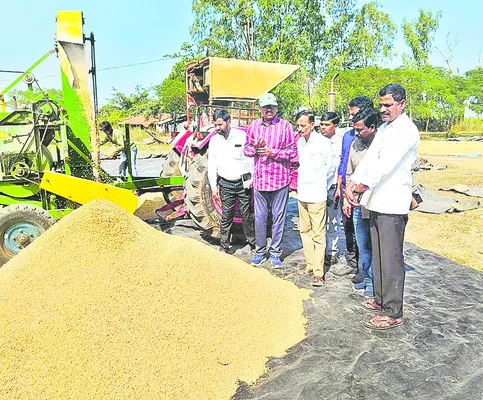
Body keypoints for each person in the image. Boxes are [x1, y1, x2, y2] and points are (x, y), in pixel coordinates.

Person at [345, 84, 420, 330]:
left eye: (388, 105)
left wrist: (361, 186)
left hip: (392, 203)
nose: (383, 109)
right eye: (381, 105)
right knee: (378, 253)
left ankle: (393, 311)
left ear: (402, 104)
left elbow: (386, 164)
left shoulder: (406, 131)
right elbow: (370, 159)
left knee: (391, 259)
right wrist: (354, 180)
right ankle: (380, 299)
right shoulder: (387, 128)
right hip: (377, 200)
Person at [244, 93, 297, 268]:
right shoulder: (253, 126)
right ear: (260, 109)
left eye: (272, 107)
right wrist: (256, 148)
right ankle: (260, 252)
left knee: (278, 218)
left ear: (276, 108)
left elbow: (292, 153)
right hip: (260, 180)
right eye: (266, 107)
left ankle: (275, 253)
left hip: (280, 180)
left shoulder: (285, 126)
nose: (269, 110)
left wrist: (271, 152)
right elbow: (246, 150)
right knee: (259, 217)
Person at [334, 96, 375, 278]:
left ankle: (368, 272)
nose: (351, 119)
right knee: (350, 229)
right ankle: (354, 264)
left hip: (370, 197)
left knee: (368, 238)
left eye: (354, 115)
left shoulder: (379, 141)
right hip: (349, 191)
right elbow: (345, 162)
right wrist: (343, 190)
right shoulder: (350, 137)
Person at [208, 110, 255, 253]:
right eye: (215, 125)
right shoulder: (214, 140)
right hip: (225, 183)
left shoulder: (241, 136)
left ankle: (253, 244)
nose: (217, 128)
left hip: (242, 183)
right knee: (226, 216)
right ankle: (224, 246)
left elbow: (250, 158)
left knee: (246, 215)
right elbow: (211, 164)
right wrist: (213, 187)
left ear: (228, 122)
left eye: (220, 124)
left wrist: (252, 178)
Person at [342, 109, 378, 298]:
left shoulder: (382, 147)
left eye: (360, 129)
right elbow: (349, 173)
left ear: (372, 128)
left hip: (378, 204)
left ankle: (376, 283)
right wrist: (348, 197)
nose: (355, 134)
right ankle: (365, 277)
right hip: (357, 204)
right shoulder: (355, 145)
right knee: (363, 245)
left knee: (377, 246)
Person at [294, 110, 333, 286]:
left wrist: (323, 187)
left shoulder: (324, 143)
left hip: (317, 194)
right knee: (305, 231)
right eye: (298, 125)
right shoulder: (300, 143)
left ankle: (319, 272)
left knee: (318, 234)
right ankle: (310, 264)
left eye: (303, 125)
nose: (300, 128)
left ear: (312, 124)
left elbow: (330, 169)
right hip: (302, 193)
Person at [319, 112, 344, 270]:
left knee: (333, 221)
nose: (323, 128)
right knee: (319, 221)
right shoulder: (315, 141)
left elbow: (341, 166)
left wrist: (339, 187)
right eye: (321, 124)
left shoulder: (341, 142)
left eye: (327, 125)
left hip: (333, 187)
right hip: (318, 187)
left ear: (335, 126)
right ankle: (320, 252)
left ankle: (332, 252)